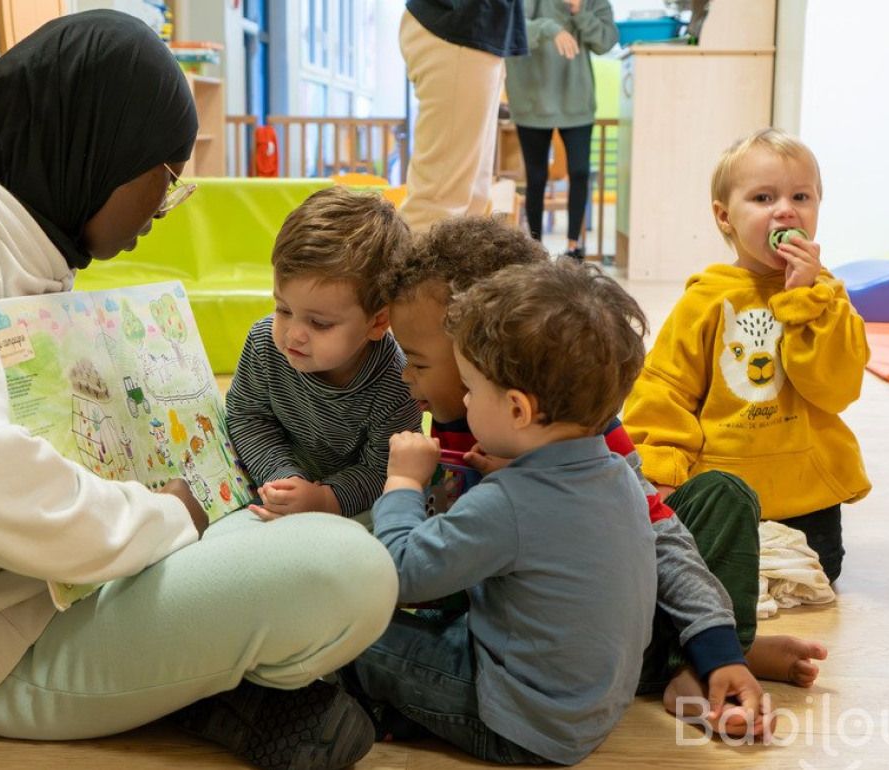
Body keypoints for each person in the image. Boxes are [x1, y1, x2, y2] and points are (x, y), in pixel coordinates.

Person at [0, 12, 397, 770]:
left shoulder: (21, 239)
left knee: (282, 520)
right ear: (104, 152)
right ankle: (236, 692)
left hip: (66, 588)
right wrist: (162, 515)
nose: (161, 210)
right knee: (352, 569)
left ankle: (229, 687)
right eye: (165, 178)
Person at [379, 216, 827, 740]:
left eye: (417, 362)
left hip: (592, 641)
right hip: (533, 620)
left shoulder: (591, 440)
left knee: (720, 497)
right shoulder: (448, 414)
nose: (405, 376)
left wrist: (716, 646)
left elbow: (658, 537)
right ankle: (707, 649)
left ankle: (703, 660)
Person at [346, 259, 658, 765]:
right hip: (589, 710)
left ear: (517, 410)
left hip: (519, 726)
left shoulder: (510, 504)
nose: (464, 400)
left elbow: (398, 573)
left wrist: (402, 481)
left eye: (470, 388)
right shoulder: (618, 474)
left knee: (347, 626)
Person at [623, 128, 871, 584]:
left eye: (801, 196)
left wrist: (804, 301)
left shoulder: (827, 295)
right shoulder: (706, 300)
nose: (785, 209)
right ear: (724, 217)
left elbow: (836, 389)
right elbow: (664, 390)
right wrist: (661, 467)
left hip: (805, 489)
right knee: (701, 570)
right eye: (762, 197)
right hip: (726, 488)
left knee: (822, 569)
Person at [226, 187, 422, 519]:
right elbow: (247, 417)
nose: (294, 335)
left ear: (377, 322)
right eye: (283, 309)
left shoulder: (397, 384)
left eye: (319, 323)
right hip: (271, 484)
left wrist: (323, 500)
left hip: (346, 507)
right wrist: (283, 478)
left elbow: (383, 471)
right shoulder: (264, 344)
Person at [398, 0, 528, 232]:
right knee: (438, 206)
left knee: (471, 205)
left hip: (475, 30)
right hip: (458, 26)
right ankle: (414, 267)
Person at [504, 0, 617, 259]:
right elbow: (511, 30)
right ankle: (536, 250)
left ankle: (573, 247)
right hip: (531, 99)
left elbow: (607, 41)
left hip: (576, 100)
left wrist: (580, 12)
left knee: (579, 172)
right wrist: (550, 28)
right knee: (536, 178)